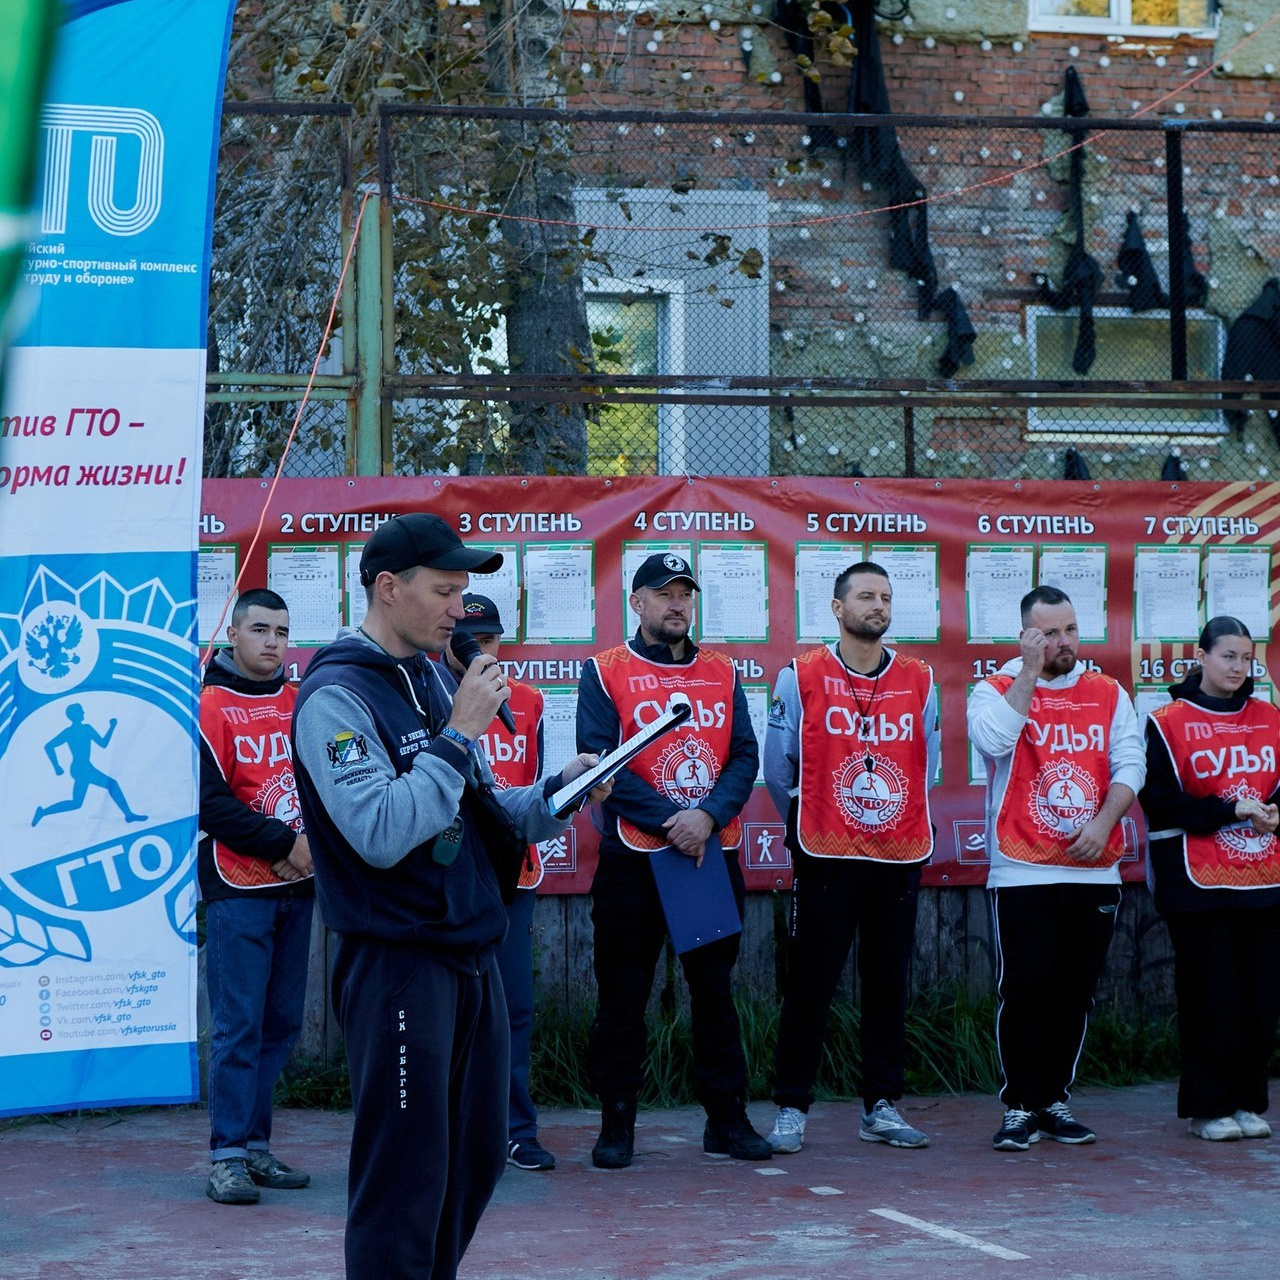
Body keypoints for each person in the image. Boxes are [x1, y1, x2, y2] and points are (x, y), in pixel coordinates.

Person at [291, 513, 608, 1280]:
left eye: (465, 592)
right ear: (388, 587)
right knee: (402, 1181)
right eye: (443, 590)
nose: (458, 610)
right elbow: (380, 829)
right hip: (398, 963)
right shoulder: (335, 695)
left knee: (474, 1161)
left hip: (472, 951)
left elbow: (482, 812)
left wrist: (560, 794)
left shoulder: (434, 675)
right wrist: (461, 732)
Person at [576, 550, 771, 1168]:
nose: (676, 603)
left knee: (714, 993)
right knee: (622, 997)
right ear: (636, 604)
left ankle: (727, 1120)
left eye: (684, 592)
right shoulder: (605, 670)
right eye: (663, 593)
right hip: (634, 861)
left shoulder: (722, 670)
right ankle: (617, 1124)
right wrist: (671, 820)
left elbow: (744, 754)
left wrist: (706, 817)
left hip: (705, 859)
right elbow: (597, 762)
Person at [763, 561, 938, 1154]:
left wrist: (882, 813)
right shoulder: (801, 674)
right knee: (811, 982)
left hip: (896, 851)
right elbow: (778, 766)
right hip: (825, 849)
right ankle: (790, 1107)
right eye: (866, 596)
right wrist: (819, 813)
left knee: (888, 982)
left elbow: (927, 763)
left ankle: (881, 1106)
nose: (878, 607)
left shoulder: (920, 678)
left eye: (886, 597)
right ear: (837, 609)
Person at [967, 585, 1144, 1152]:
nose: (1062, 642)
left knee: (1074, 992)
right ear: (1026, 635)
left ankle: (1054, 1099)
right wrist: (1028, 670)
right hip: (1021, 869)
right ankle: (1019, 1105)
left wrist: (1103, 823)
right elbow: (991, 740)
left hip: (1093, 868)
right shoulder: (993, 688)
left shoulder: (1108, 691)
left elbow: (1130, 762)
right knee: (1025, 990)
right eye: (1048, 633)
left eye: (1069, 629)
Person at [1139, 616, 1280, 1142]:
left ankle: (1247, 1102)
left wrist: (1273, 815)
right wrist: (1230, 810)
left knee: (1260, 1000)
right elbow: (1160, 802)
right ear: (1200, 657)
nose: (1238, 668)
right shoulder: (1165, 721)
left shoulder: (1271, 717)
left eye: (1247, 659)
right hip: (1196, 885)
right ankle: (1208, 1108)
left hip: (1264, 880)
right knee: (1211, 997)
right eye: (1228, 656)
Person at [197, 588, 314, 1205]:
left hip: (301, 886)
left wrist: (311, 847)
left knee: (280, 1023)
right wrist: (283, 844)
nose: (273, 642)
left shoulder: (303, 703)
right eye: (261, 630)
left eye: (282, 632)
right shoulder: (209, 704)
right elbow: (209, 803)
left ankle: (256, 1147)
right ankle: (226, 1156)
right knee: (238, 1024)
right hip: (239, 884)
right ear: (234, 635)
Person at [442, 592, 556, 1172]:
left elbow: (529, 787)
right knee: (447, 1009)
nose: (479, 652)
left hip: (514, 875)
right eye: (469, 640)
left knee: (514, 1009)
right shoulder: (427, 695)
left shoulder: (529, 701)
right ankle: (448, 1129)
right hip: (448, 877)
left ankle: (515, 1129)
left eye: (489, 641)